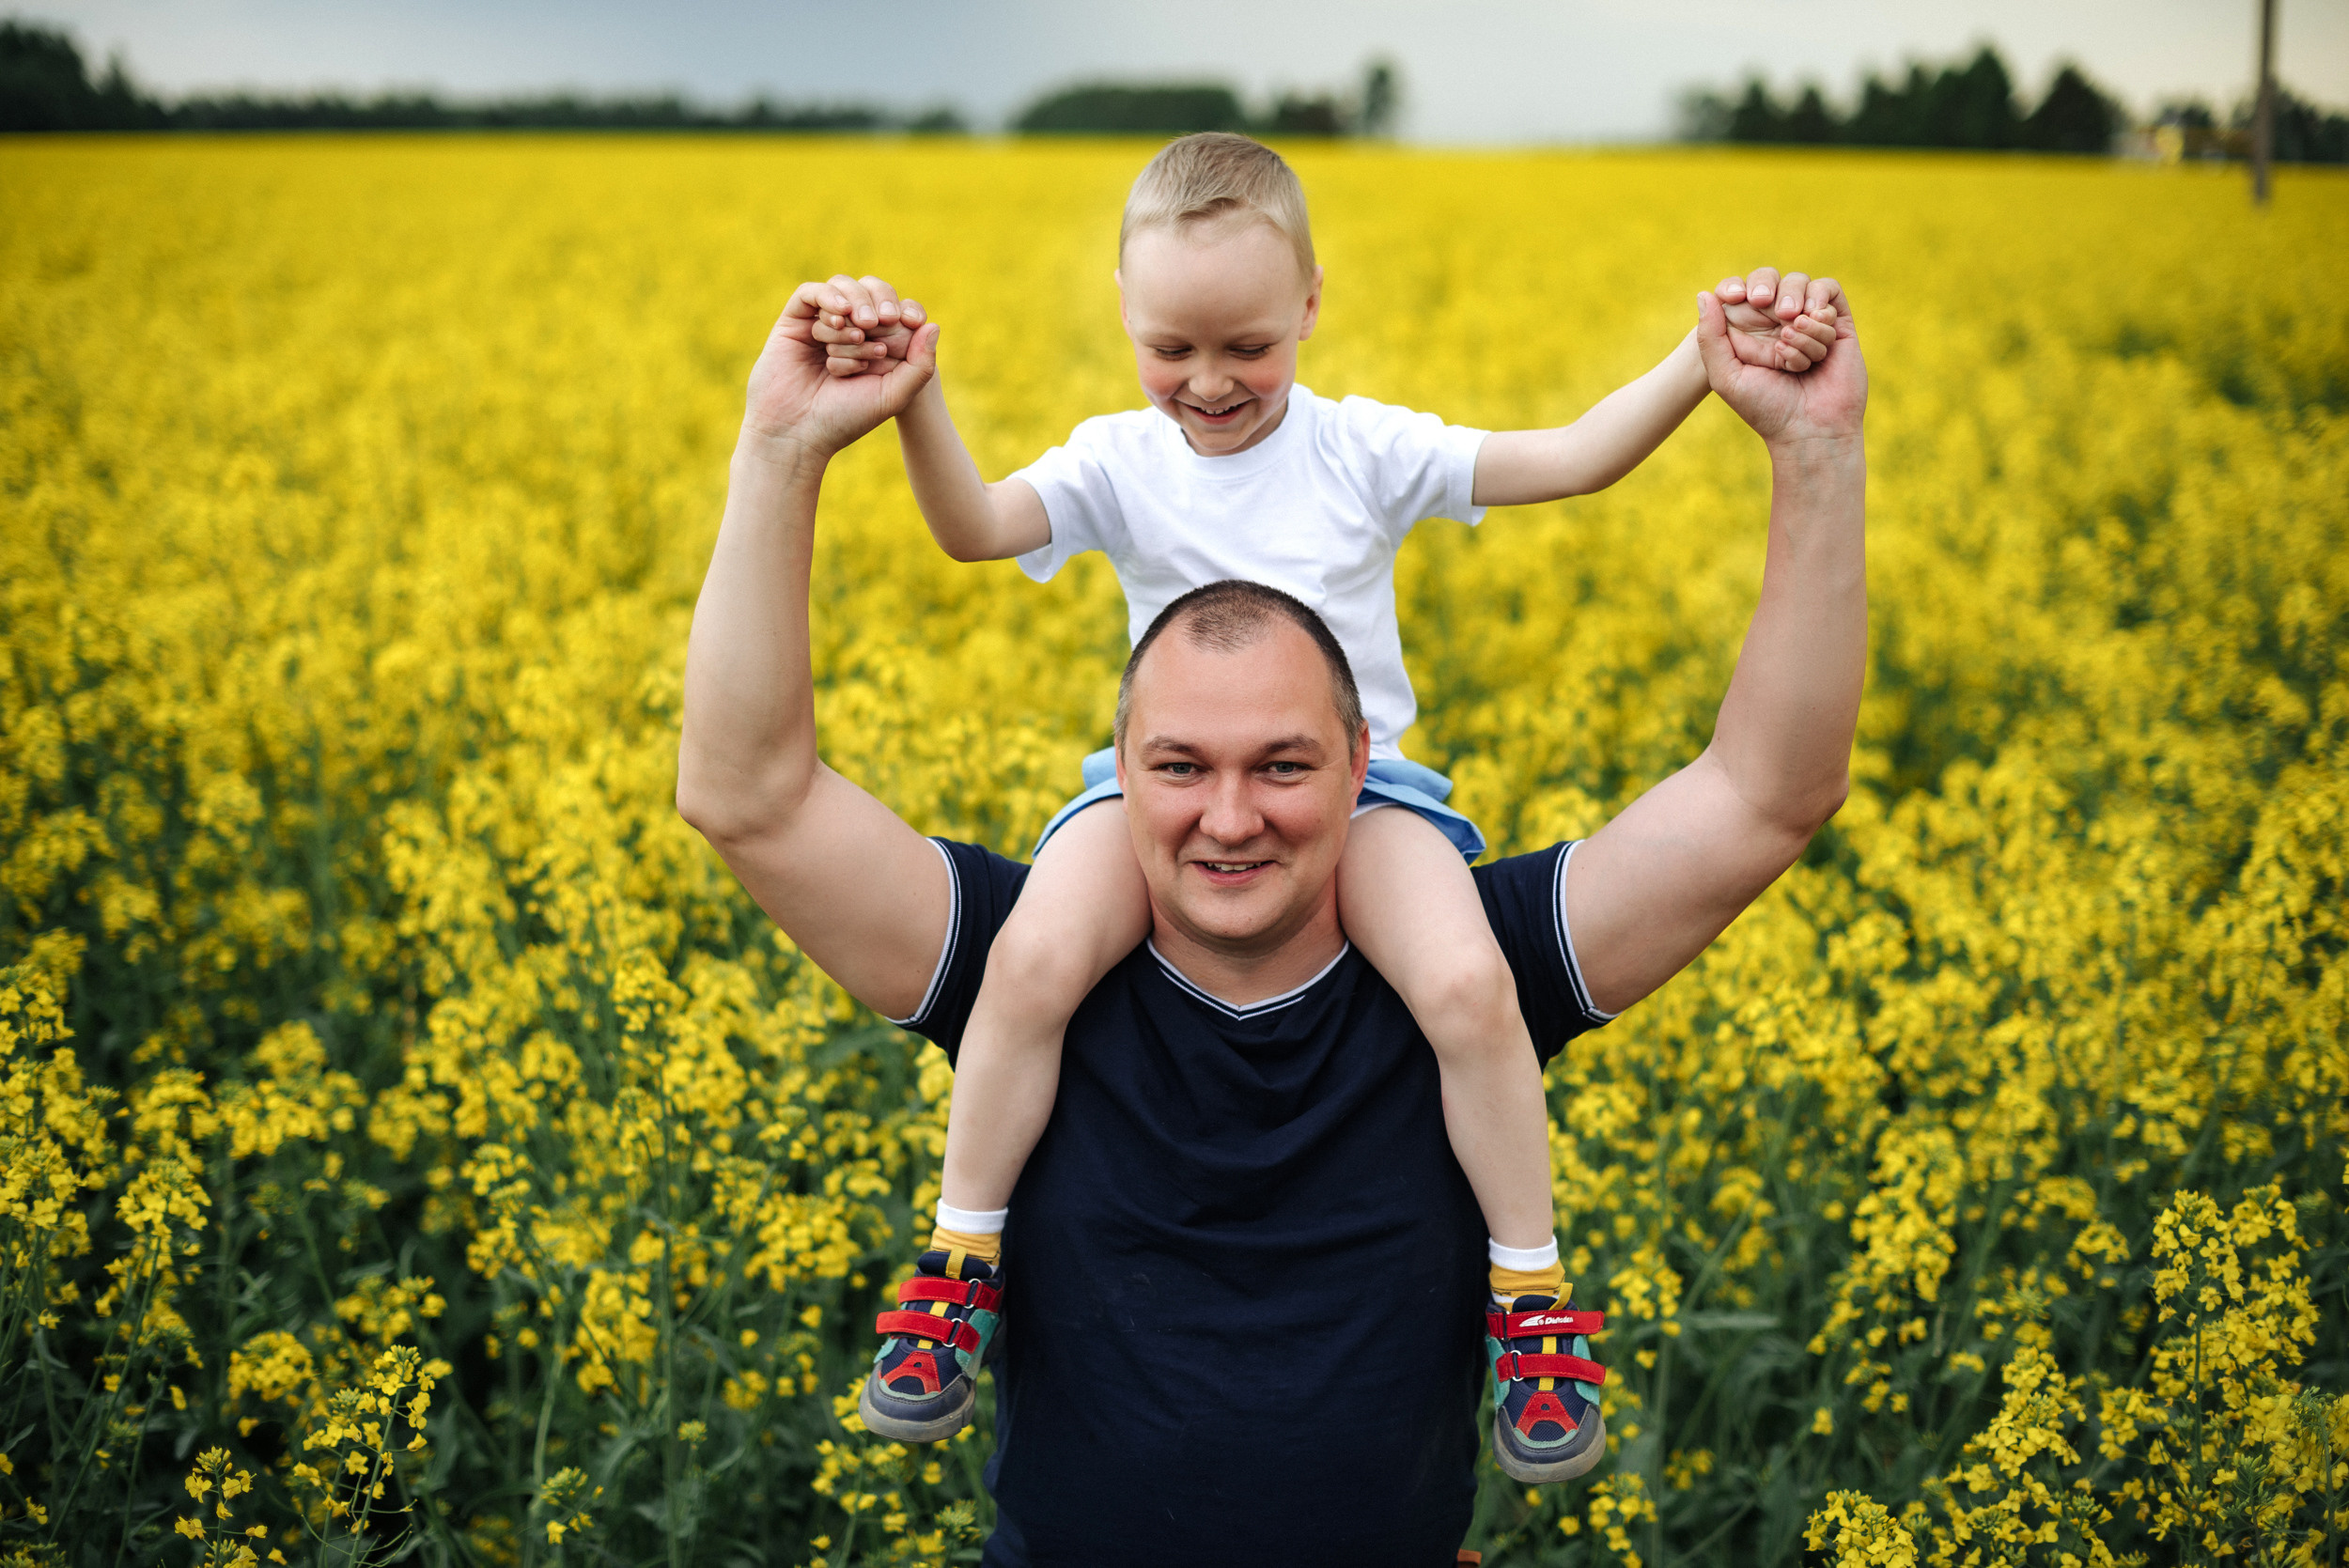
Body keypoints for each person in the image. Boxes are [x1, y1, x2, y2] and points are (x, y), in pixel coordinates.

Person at [676, 248, 1866, 1560]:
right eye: (1179, 767)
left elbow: (1767, 793)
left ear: (1363, 767)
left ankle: (1538, 1307)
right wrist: (783, 449)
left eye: (1285, 766)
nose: (1230, 818)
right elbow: (751, 797)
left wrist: (1814, 453)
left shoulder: (1468, 963)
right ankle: (951, 1270)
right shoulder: (1035, 961)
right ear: (1115, 770)